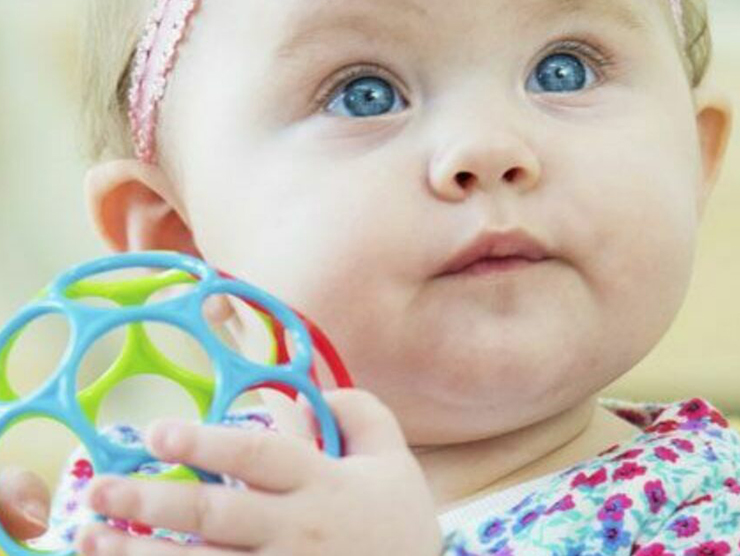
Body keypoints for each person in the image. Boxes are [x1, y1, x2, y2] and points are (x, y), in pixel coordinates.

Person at [0, 0, 736, 553]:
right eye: (365, 93)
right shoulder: (140, 501)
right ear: (182, 240)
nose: (488, 147)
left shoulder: (710, 512)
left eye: (564, 69)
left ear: (693, 161)